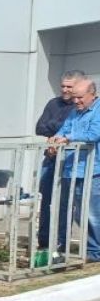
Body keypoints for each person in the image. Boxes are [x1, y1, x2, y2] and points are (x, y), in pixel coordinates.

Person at [49, 78, 100, 263]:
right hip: (71, 169)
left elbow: (94, 134)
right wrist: (55, 141)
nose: (76, 101)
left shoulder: (98, 111)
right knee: (67, 211)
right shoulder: (74, 113)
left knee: (91, 214)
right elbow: (63, 130)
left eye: (80, 97)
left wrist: (68, 138)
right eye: (74, 98)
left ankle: (95, 252)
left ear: (92, 95)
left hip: (92, 170)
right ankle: (62, 246)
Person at [36, 70, 84, 256]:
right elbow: (40, 127)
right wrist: (60, 130)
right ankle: (44, 241)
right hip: (51, 158)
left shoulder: (81, 106)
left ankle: (63, 242)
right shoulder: (53, 103)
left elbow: (76, 129)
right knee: (46, 199)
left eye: (69, 86)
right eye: (63, 85)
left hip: (72, 160)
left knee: (68, 203)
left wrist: (59, 132)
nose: (65, 89)